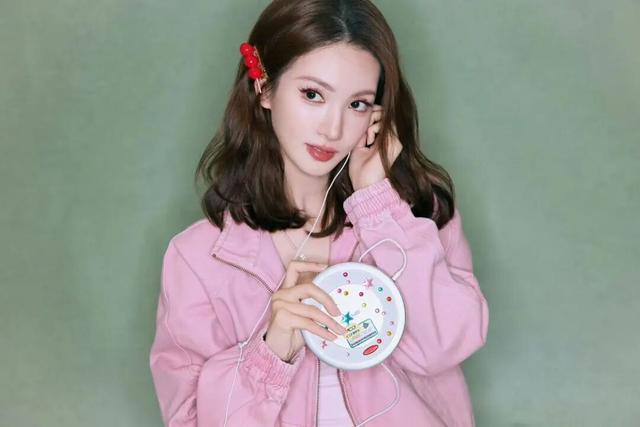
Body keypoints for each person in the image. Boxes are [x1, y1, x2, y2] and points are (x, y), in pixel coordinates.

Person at [149, 0, 489, 426]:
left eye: (357, 104)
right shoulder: (198, 258)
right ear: (264, 88)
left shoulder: (418, 216)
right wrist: (271, 350)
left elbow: (444, 346)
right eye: (313, 94)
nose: (333, 128)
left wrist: (378, 205)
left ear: (378, 115)